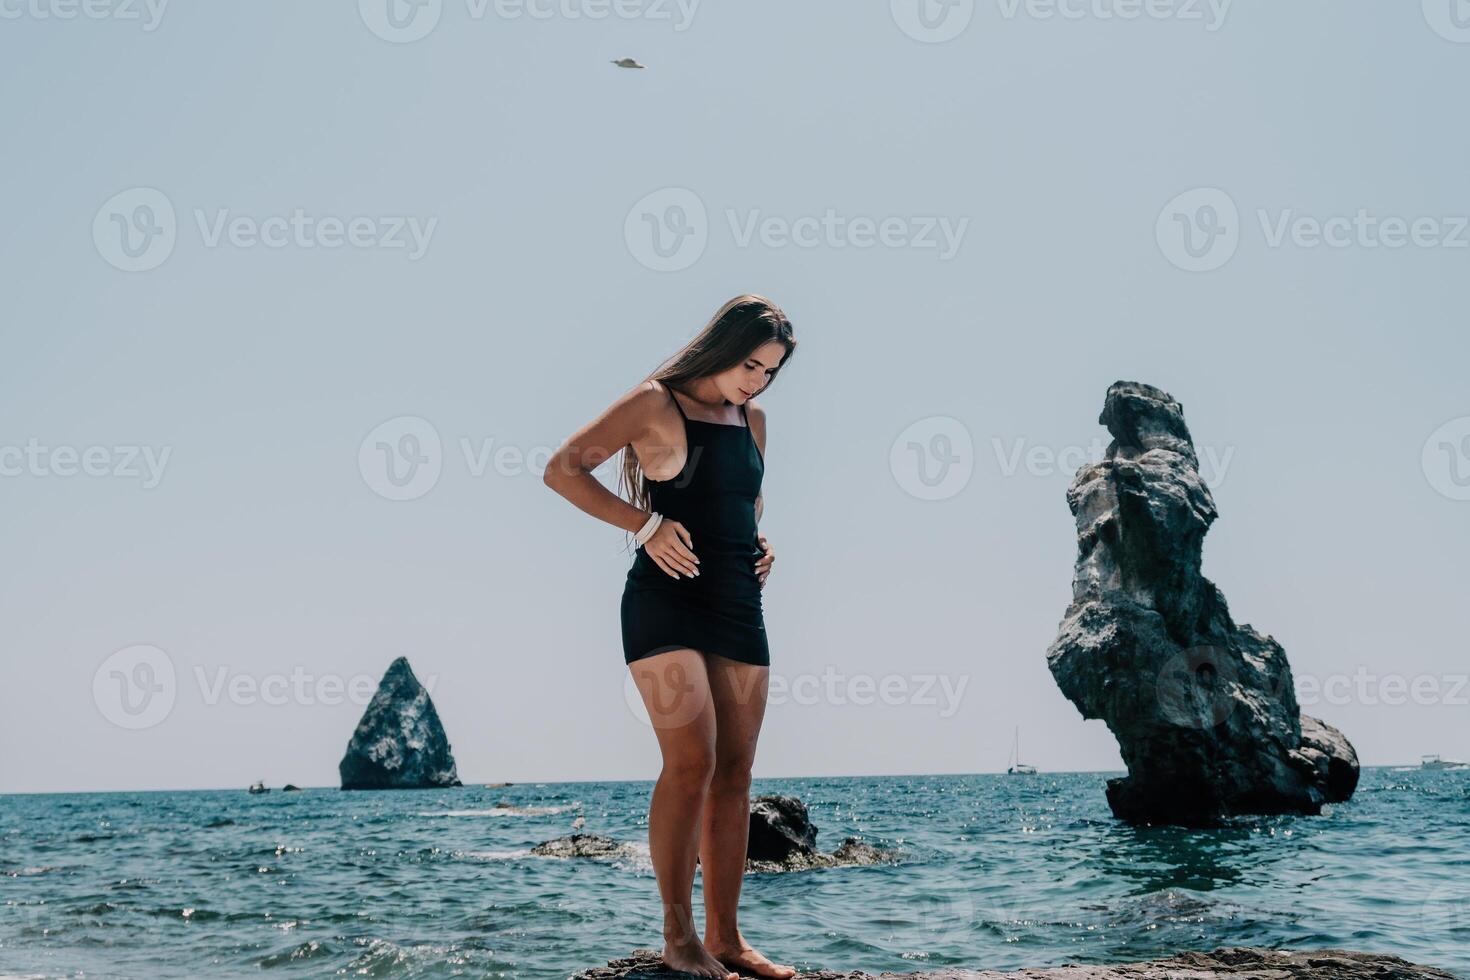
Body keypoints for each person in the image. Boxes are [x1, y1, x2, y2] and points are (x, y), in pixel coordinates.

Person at [543, 294, 797, 979]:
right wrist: (645, 525)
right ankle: (677, 938)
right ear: (721, 347)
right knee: (693, 760)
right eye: (750, 364)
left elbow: (745, 505)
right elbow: (562, 469)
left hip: (739, 606)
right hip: (663, 606)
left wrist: (761, 543)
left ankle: (726, 939)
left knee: (737, 769)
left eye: (770, 372)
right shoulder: (656, 403)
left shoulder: (755, 421)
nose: (757, 381)